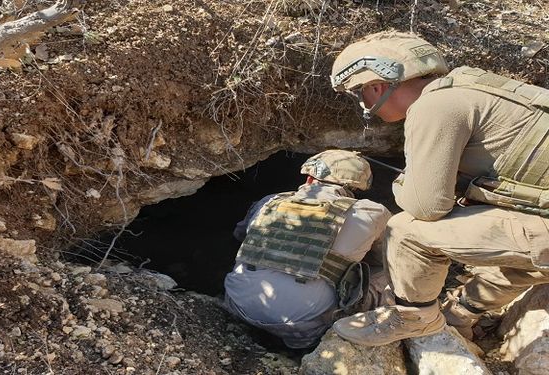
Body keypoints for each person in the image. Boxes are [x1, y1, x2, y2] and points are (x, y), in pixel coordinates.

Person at [328, 30, 549, 346]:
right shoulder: (476, 87)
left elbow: (426, 207)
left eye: (359, 94)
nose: (365, 105)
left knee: (406, 231)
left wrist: (404, 183)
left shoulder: (433, 106)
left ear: (375, 87)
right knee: (508, 236)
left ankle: (414, 319)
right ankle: (460, 314)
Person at [223, 150, 392, 349]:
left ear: (310, 178)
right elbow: (386, 256)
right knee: (389, 271)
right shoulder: (372, 212)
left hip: (236, 302)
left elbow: (240, 236)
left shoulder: (269, 201)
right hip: (303, 325)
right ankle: (306, 350)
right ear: (355, 187)